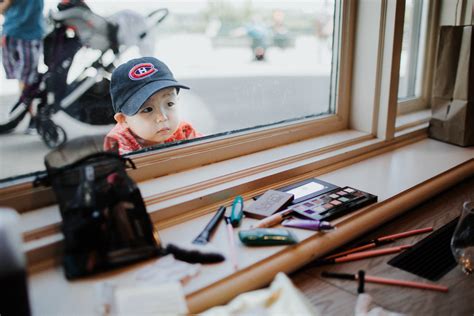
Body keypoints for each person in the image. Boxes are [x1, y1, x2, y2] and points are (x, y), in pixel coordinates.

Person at [104, 57, 202, 155]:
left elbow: (207, 152)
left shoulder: (184, 131)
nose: (162, 118)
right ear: (123, 119)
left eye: (170, 104)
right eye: (147, 109)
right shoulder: (117, 142)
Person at [1, 0, 45, 133]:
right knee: (25, 80)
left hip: (31, 34)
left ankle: (29, 117)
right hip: (13, 33)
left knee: (27, 79)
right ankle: (28, 117)